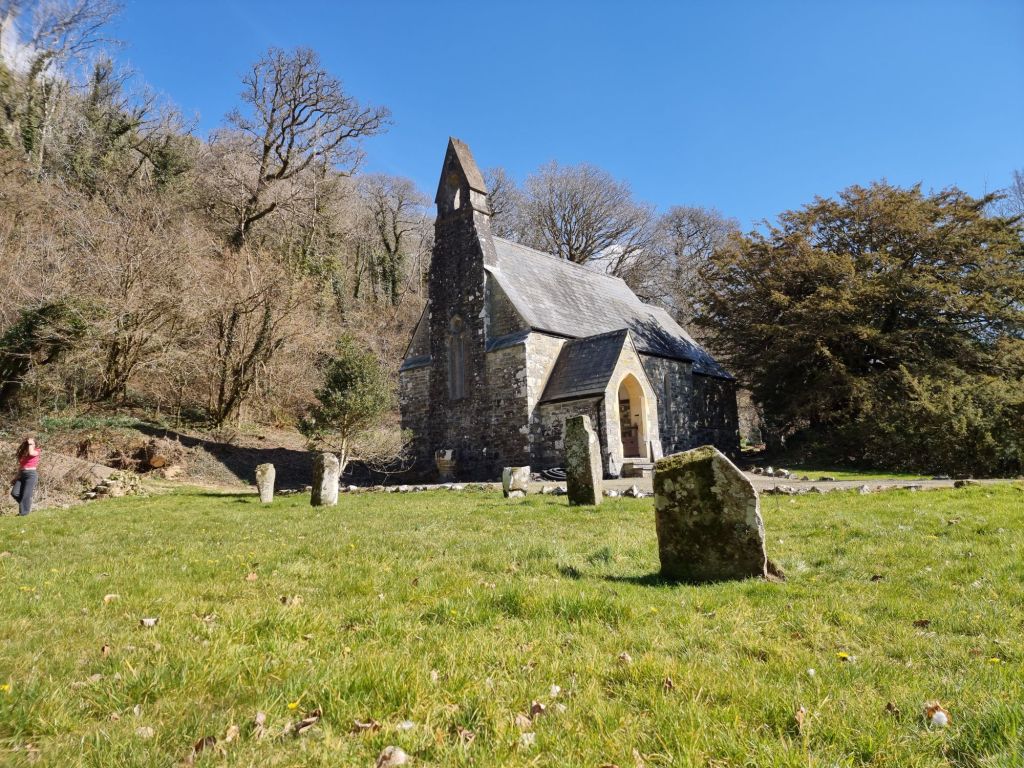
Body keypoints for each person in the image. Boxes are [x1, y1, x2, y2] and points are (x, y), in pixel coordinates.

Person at [11, 436, 40, 516]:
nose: (30, 445)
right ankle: (25, 507)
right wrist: (16, 477)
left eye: (32, 444)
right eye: (29, 444)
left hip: (31, 475)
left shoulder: (37, 451)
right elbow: (21, 467)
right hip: (22, 474)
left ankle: (23, 514)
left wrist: (30, 443)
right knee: (15, 493)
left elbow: (31, 453)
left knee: (26, 495)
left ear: (34, 444)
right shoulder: (24, 454)